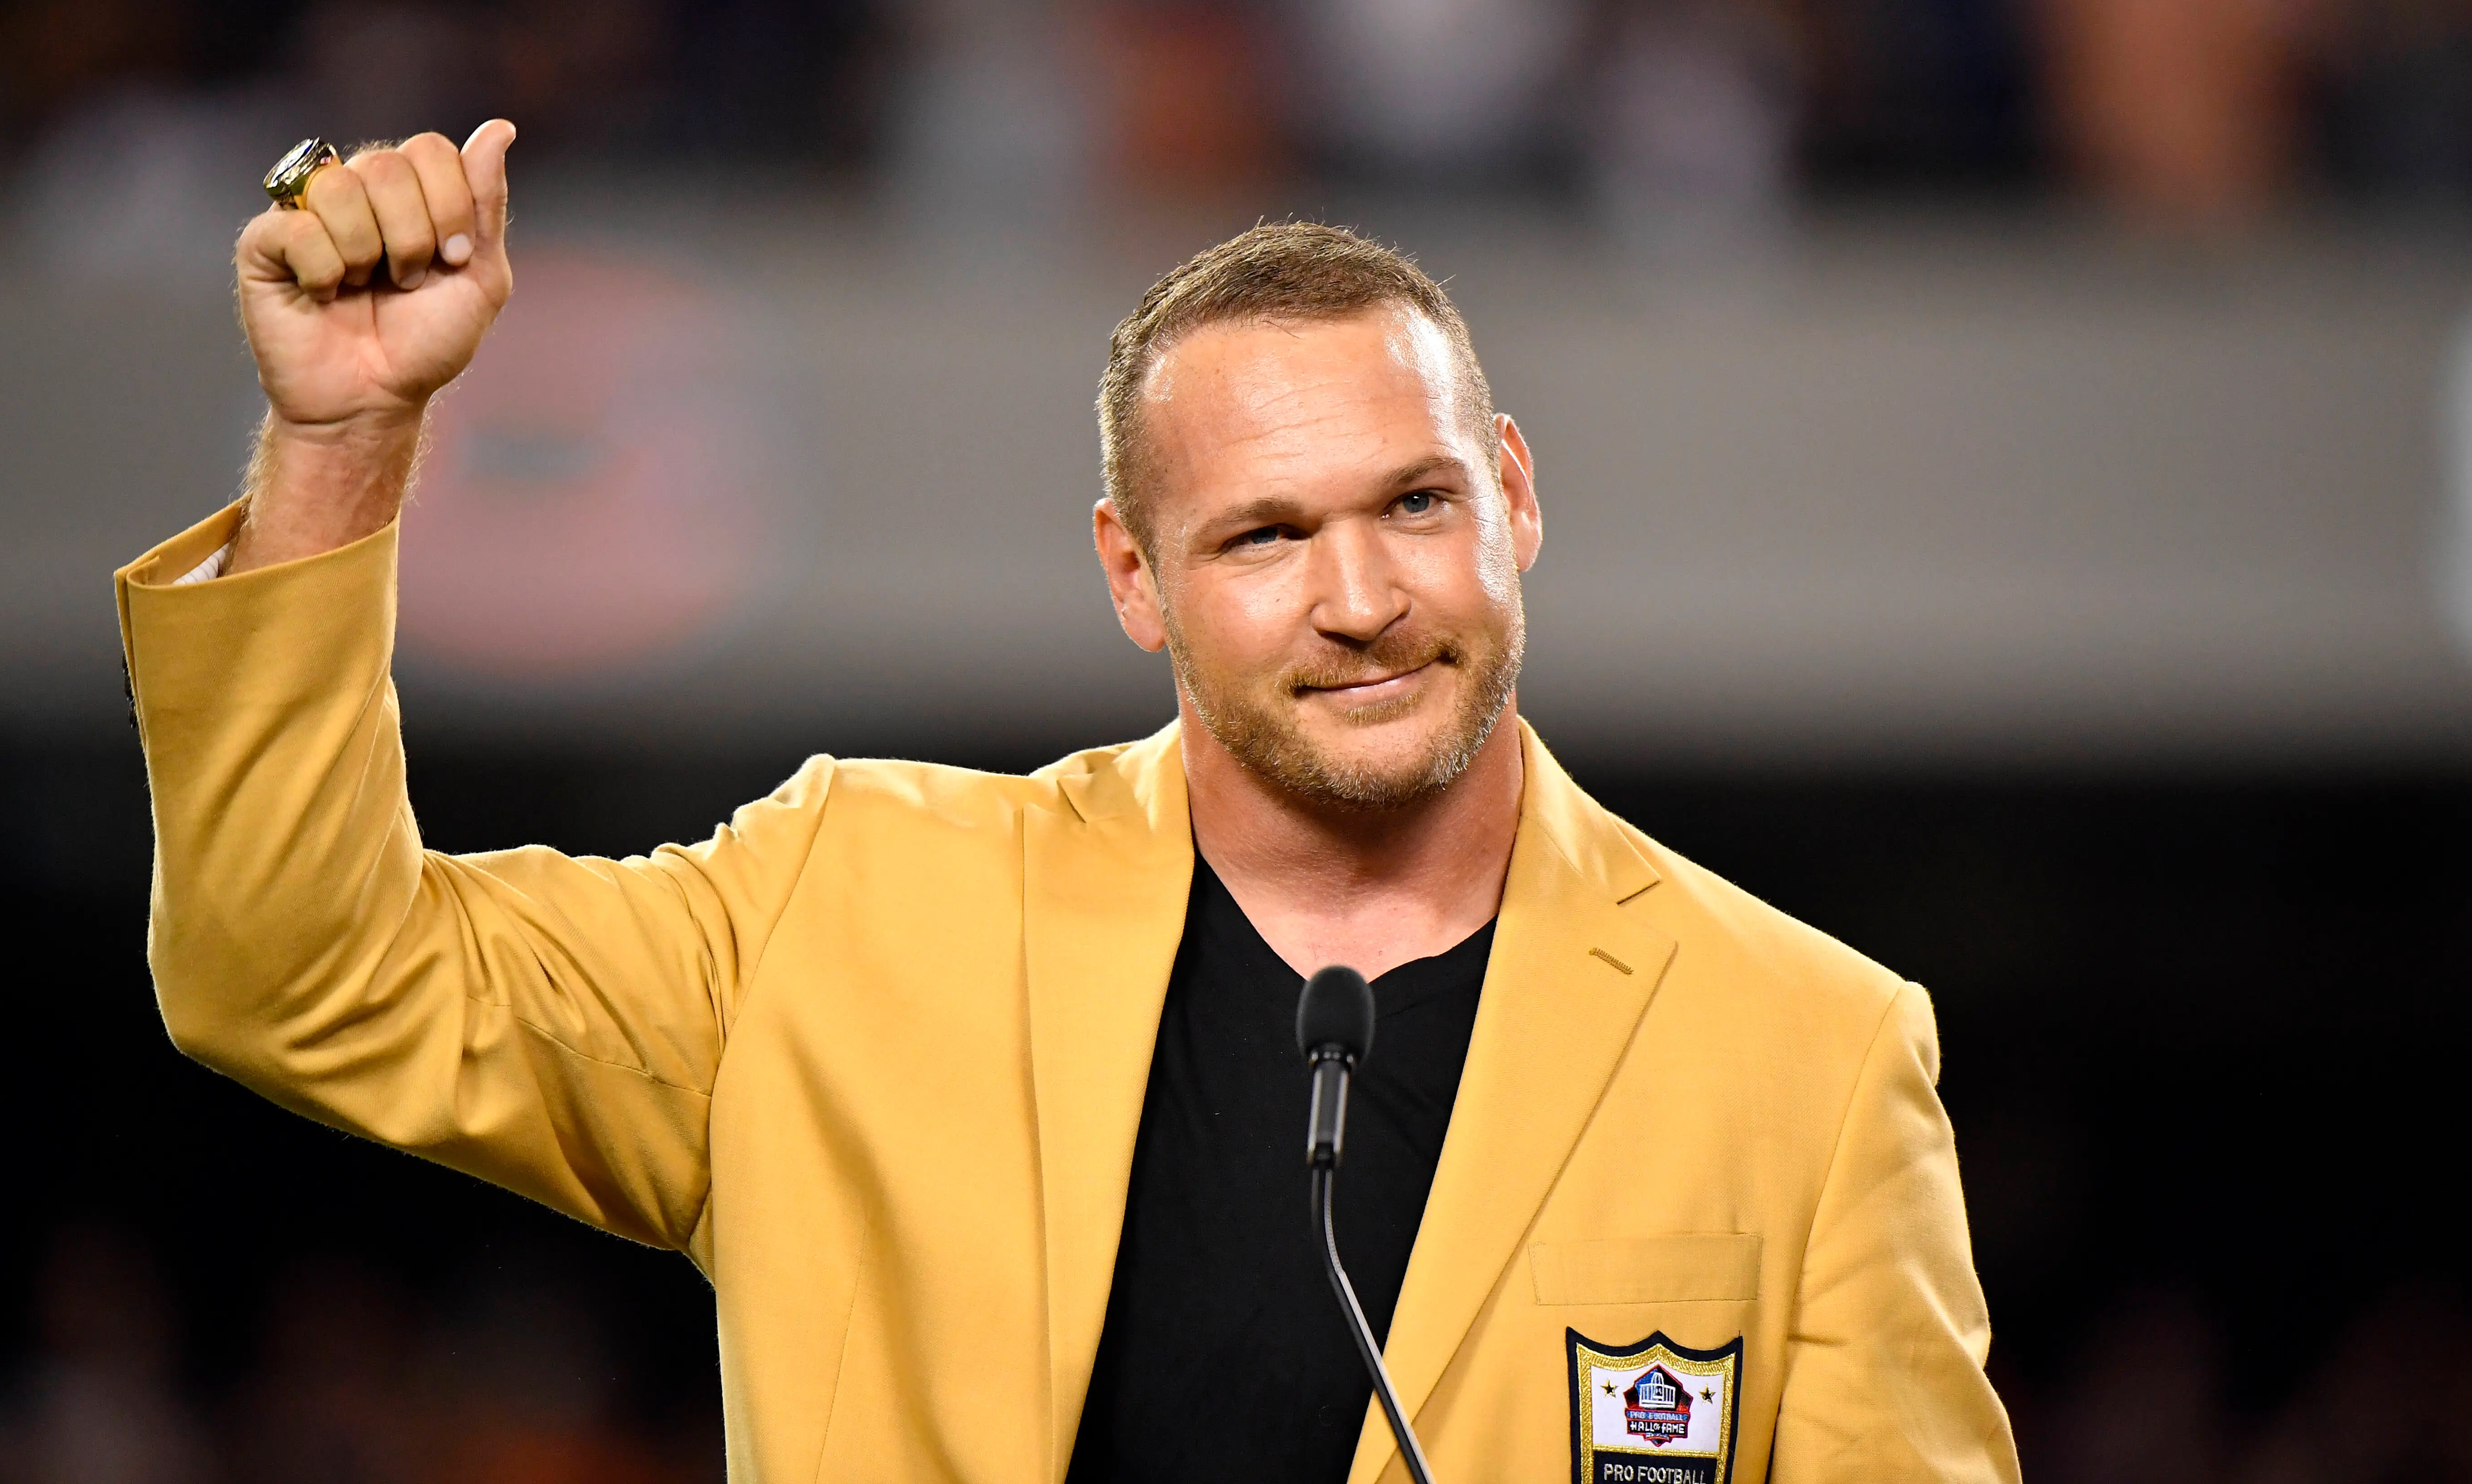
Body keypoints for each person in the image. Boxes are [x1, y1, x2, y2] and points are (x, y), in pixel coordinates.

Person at [117, 122, 2021, 1484]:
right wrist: (343, 442)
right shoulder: (841, 910)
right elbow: (299, 974)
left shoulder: (1810, 1055)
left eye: (1415, 503)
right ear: (1134, 576)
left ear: (1512, 496)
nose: (1361, 597)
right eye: (1263, 536)